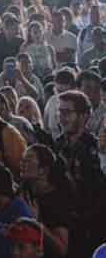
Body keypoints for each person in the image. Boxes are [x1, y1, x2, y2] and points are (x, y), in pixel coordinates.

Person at [52, 90, 106, 257]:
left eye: (67, 112)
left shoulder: (95, 150)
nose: (61, 117)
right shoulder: (57, 145)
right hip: (61, 225)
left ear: (83, 116)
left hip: (89, 229)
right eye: (60, 112)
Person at [19, 144, 71, 258]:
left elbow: (62, 249)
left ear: (43, 170)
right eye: (22, 160)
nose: (21, 164)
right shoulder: (25, 190)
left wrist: (36, 222)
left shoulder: (57, 200)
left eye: (28, 161)